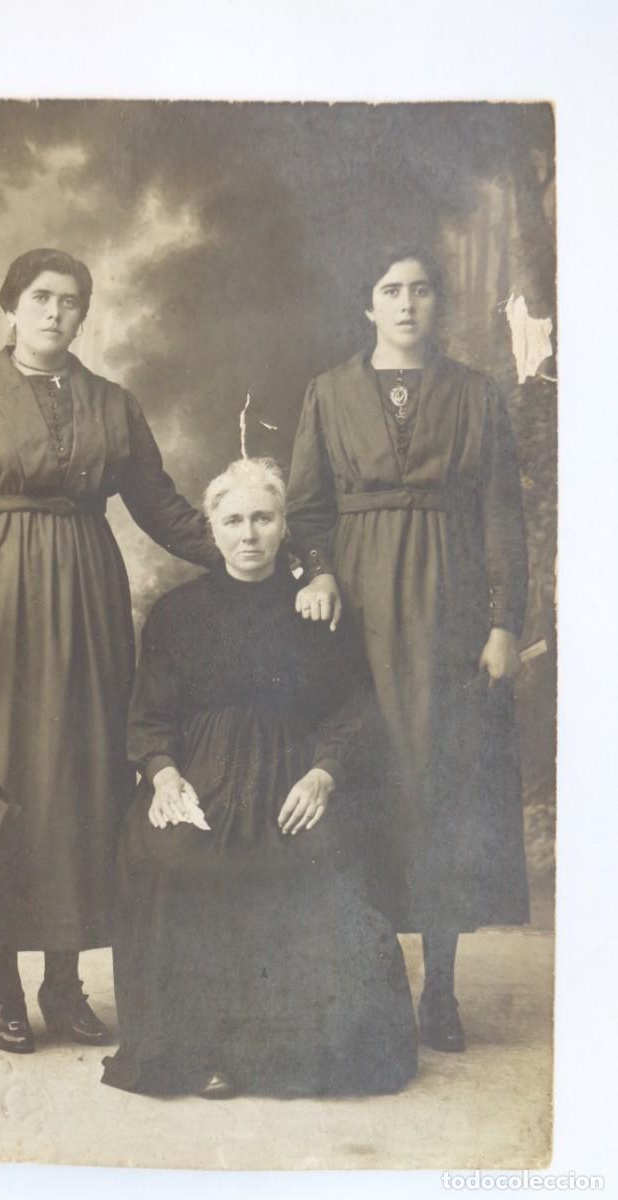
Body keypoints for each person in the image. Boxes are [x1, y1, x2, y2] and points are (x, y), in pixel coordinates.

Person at [0, 247, 217, 1055]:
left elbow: (162, 507)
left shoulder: (113, 403)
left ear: (84, 314)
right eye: (41, 297)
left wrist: (245, 550)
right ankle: (2, 985)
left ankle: (65, 982)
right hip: (1, 594)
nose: (55, 312)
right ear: (12, 305)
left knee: (82, 775)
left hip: (87, 593)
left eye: (72, 301)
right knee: (7, 781)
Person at [101, 458, 417, 1098]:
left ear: (283, 528)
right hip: (201, 775)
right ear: (212, 530)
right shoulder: (177, 612)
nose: (248, 534)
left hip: (291, 777)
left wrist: (325, 776)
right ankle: (200, 1050)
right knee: (171, 855)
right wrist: (163, 780)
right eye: (234, 520)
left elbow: (353, 712)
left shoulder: (317, 610)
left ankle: (284, 1054)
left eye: (263, 519)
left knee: (314, 859)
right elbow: (149, 716)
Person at [287, 248, 530, 1052]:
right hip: (355, 610)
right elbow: (307, 508)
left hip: (450, 609)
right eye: (390, 289)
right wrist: (318, 574)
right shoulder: (327, 393)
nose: (407, 303)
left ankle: (443, 991)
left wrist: (503, 625)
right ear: (367, 305)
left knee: (442, 788)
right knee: (362, 779)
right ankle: (364, 983)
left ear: (437, 304)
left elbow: (501, 516)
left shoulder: (475, 394)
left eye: (421, 290)